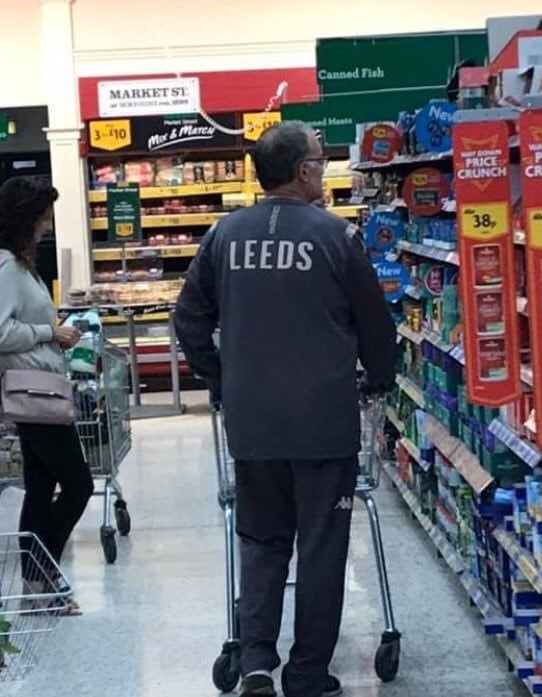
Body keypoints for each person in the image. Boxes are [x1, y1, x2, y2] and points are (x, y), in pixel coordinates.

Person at [175, 121, 396, 697]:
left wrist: (219, 374)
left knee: (261, 540)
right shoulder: (335, 237)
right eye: (321, 162)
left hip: (252, 422)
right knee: (322, 546)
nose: (324, 171)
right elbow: (376, 325)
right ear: (302, 171)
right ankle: (306, 674)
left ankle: (254, 667)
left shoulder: (223, 235)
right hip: (323, 421)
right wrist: (381, 378)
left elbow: (188, 318)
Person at [0, 177, 94, 613]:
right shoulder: (5, 267)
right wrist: (48, 332)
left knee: (40, 489)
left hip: (40, 385)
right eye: (43, 214)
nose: (48, 222)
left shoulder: (21, 265)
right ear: (26, 216)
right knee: (78, 484)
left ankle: (38, 585)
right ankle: (44, 571)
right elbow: (1, 331)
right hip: (30, 390)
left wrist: (53, 337)